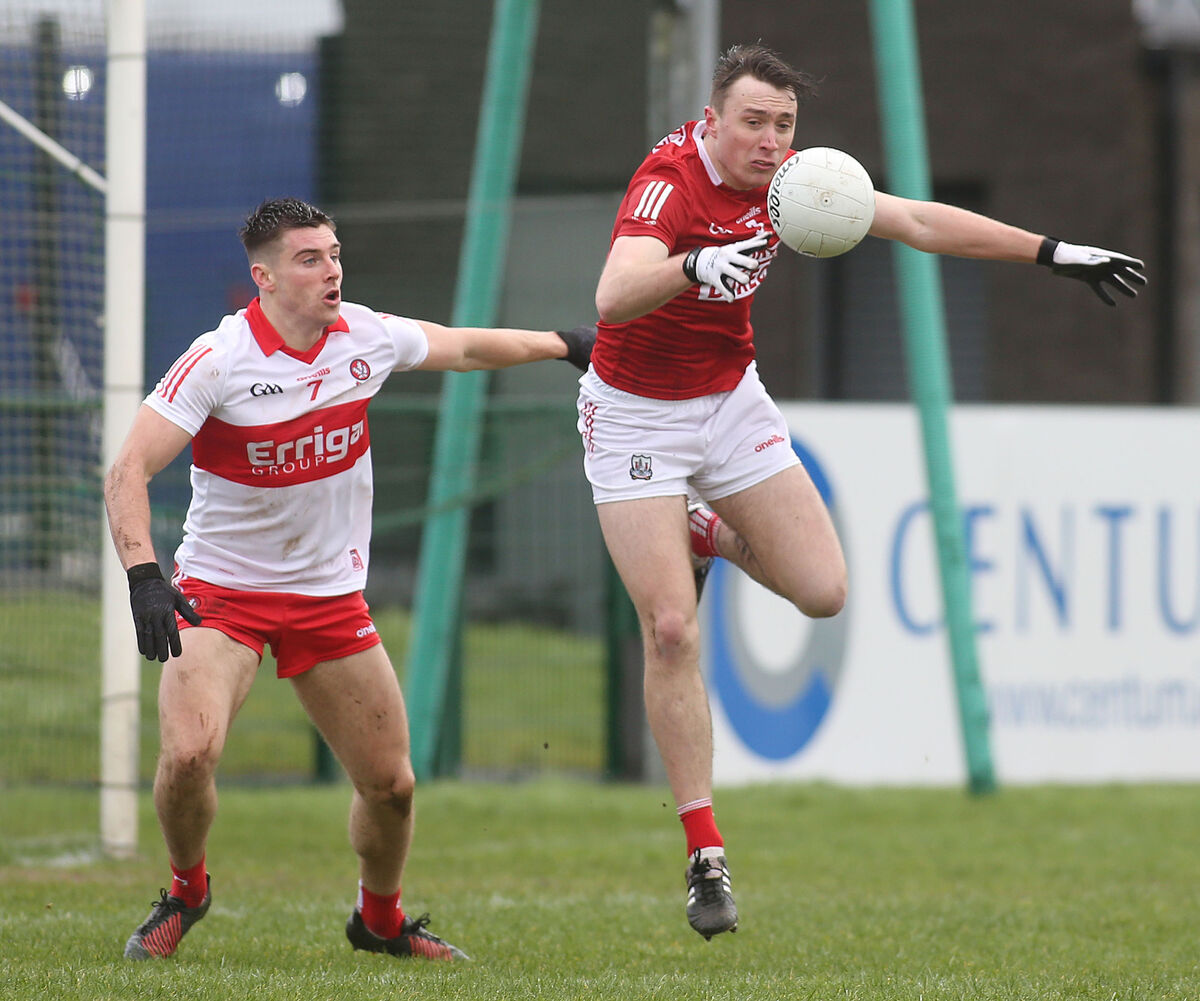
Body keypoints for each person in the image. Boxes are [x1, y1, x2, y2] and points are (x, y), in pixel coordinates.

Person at [578, 42, 1146, 941]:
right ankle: (705, 853)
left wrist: (1054, 252)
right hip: (636, 415)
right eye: (753, 122)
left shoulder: (798, 180)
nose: (770, 141)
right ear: (713, 118)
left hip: (727, 401)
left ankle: (702, 533)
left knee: (823, 590)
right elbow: (613, 294)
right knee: (674, 628)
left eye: (784, 125)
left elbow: (917, 221)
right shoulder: (669, 181)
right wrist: (691, 266)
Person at [104, 197, 594, 963]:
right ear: (263, 277)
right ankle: (186, 889)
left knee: (393, 786)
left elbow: (462, 347)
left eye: (334, 254)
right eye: (310, 258)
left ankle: (381, 920)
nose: (331, 269)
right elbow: (128, 467)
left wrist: (565, 343)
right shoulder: (220, 359)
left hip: (328, 596)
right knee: (190, 753)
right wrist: (143, 574)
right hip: (223, 593)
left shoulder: (362, 336)